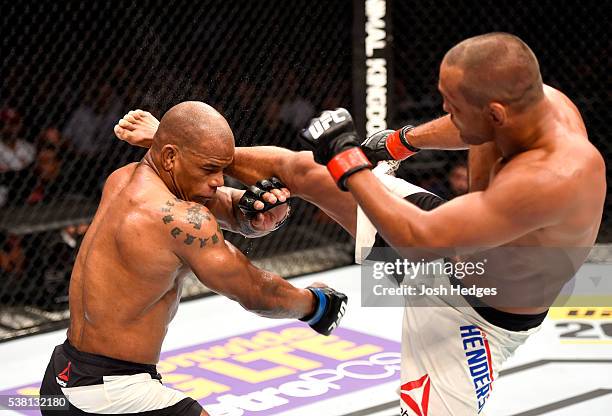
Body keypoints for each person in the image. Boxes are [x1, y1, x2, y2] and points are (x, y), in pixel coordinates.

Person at [114, 33, 606, 415]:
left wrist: (350, 164)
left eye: (453, 106)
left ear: (495, 113)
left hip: (474, 313)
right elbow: (459, 135)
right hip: (450, 241)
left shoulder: (551, 177)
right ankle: (174, 144)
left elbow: (419, 241)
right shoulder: (530, 103)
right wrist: (399, 142)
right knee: (303, 170)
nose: (446, 113)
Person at [40, 101, 348, 416]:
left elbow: (222, 207)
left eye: (222, 168)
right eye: (209, 168)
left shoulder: (123, 178)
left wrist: (260, 217)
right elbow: (256, 292)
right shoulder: (180, 220)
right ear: (170, 156)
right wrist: (316, 305)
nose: (219, 180)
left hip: (62, 376)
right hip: (112, 394)